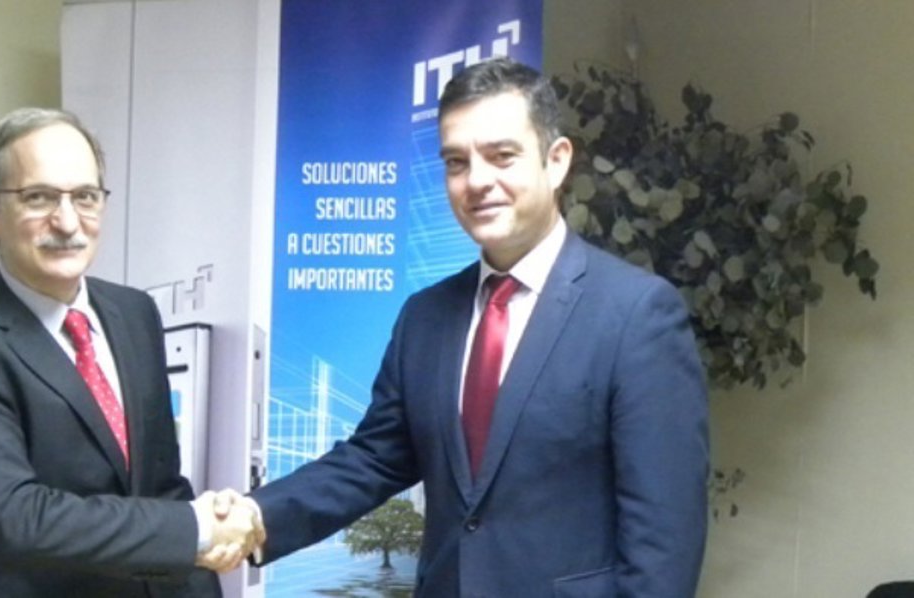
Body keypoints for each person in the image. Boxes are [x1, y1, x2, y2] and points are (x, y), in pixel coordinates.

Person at [230, 58, 710, 596]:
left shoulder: (637, 314)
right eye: (456, 163)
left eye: (502, 156)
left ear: (556, 161)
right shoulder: (424, 318)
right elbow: (372, 459)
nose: (477, 181)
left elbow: (664, 546)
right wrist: (253, 517)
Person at [0, 107, 258, 597]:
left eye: (85, 197)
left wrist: (203, 559)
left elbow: (159, 485)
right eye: (39, 197)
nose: (68, 221)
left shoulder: (134, 313)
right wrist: (194, 530)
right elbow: (12, 516)